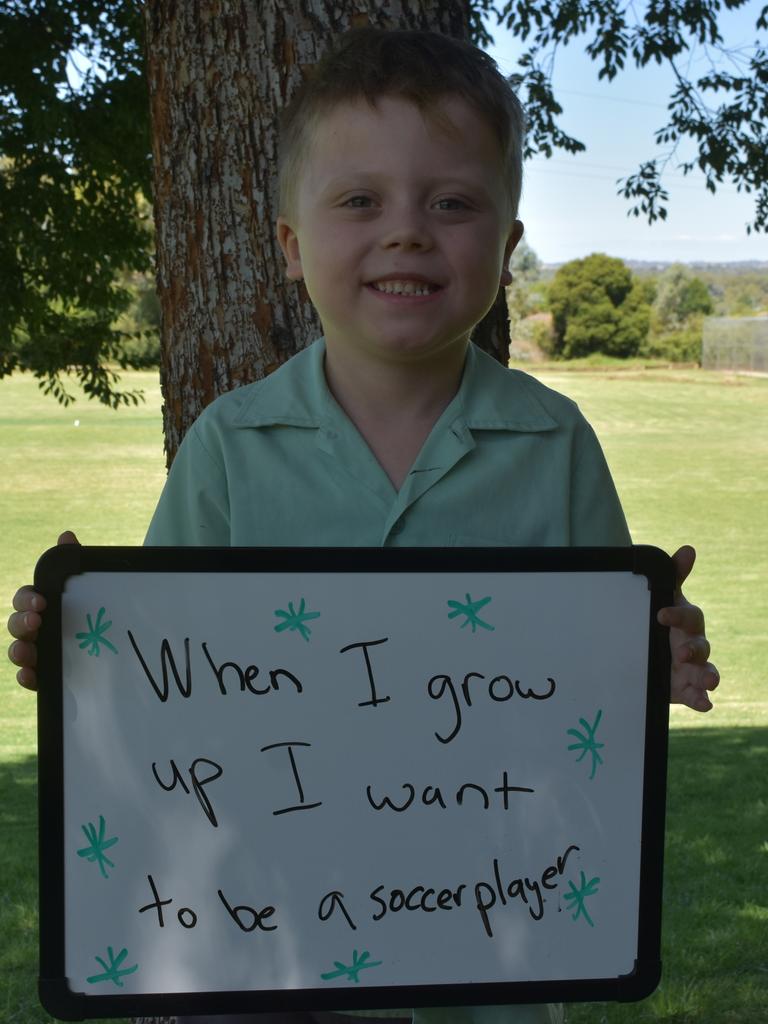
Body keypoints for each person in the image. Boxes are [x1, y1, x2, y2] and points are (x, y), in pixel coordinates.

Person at [7, 26, 718, 1024]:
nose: (407, 231)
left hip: (495, 957)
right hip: (263, 960)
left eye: (454, 202)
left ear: (507, 249)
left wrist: (655, 663)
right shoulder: (229, 446)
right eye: (358, 200)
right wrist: (79, 649)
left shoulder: (554, 446)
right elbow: (154, 696)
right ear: (293, 249)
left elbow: (593, 701)